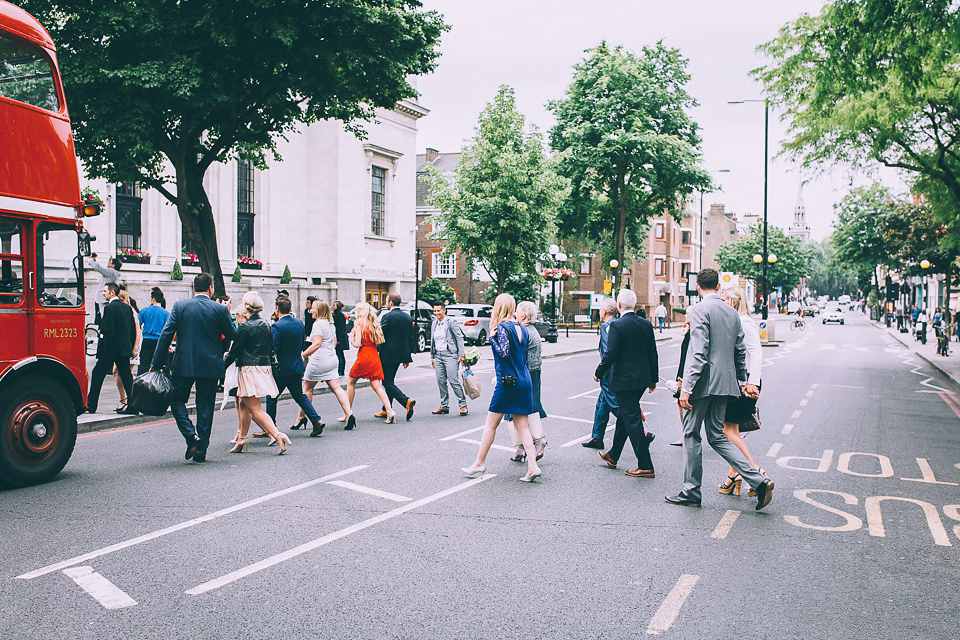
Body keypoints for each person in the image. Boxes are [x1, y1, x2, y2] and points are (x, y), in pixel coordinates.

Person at [668, 268, 774, 510]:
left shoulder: (699, 310)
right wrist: (742, 381)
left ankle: (691, 491)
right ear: (717, 286)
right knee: (717, 436)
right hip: (726, 385)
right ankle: (758, 480)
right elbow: (740, 351)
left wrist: (687, 388)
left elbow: (698, 352)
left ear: (698, 286)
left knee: (691, 433)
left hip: (703, 384)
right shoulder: (731, 312)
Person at [151, 272, 238, 463]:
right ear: (211, 288)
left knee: (175, 400)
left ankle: (191, 435)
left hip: (184, 362)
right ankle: (201, 452)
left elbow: (166, 335)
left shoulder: (180, 306)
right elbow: (232, 334)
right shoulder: (219, 309)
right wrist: (229, 313)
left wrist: (155, 364)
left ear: (194, 288)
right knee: (205, 407)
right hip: (210, 364)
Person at [462, 294, 541, 482]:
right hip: (524, 380)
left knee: (491, 424)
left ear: (498, 308)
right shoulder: (521, 327)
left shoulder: (502, 328)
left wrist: (492, 338)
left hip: (508, 382)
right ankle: (533, 466)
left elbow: (504, 351)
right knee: (522, 425)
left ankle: (479, 463)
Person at [594, 289, 658, 479]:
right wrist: (652, 379)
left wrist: (599, 372)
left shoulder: (618, 326)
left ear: (619, 306)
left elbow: (611, 354)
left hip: (624, 381)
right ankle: (613, 456)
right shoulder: (646, 324)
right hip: (640, 380)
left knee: (632, 421)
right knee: (624, 416)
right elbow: (652, 353)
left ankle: (645, 465)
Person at [224, 291, 291, 455]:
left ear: (246, 307)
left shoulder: (245, 326)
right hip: (263, 368)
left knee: (254, 408)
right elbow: (271, 349)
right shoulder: (267, 324)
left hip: (248, 369)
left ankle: (277, 435)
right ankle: (242, 439)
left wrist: (221, 367)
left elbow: (234, 352)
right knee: (243, 405)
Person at [716, 287, 765, 497]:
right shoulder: (735, 321)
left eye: (724, 299)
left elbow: (756, 352)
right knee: (732, 431)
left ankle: (756, 472)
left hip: (744, 385)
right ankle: (733, 476)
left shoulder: (744, 322)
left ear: (734, 302)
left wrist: (752, 383)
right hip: (738, 382)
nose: (721, 302)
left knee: (728, 431)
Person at [266, 295, 325, 437]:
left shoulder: (276, 326)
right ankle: (316, 420)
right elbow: (302, 341)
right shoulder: (299, 323)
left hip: (282, 369)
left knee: (271, 397)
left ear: (277, 309)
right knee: (299, 395)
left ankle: (270, 428)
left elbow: (275, 348)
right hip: (297, 366)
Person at [301, 300, 355, 430]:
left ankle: (302, 418)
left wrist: (303, 355)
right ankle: (349, 413)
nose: (310, 311)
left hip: (319, 360)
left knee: (307, 389)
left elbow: (317, 344)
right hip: (332, 359)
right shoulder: (331, 324)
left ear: (318, 310)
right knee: (337, 388)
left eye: (313, 309)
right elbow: (334, 342)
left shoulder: (318, 324)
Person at [506, 301, 547, 462]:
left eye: (517, 312)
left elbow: (515, 355)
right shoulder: (533, 330)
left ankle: (537, 441)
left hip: (524, 374)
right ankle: (522, 447)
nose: (515, 314)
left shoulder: (523, 331)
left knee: (519, 410)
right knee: (527, 409)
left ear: (523, 315)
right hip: (533, 373)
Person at [86, 283, 136, 414]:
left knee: (97, 373)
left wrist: (103, 349)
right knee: (126, 376)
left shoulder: (109, 308)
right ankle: (133, 405)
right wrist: (130, 347)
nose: (103, 293)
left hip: (111, 349)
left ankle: (91, 405)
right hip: (123, 348)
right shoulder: (127, 308)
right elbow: (132, 330)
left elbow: (108, 331)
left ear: (112, 293)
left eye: (105, 291)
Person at [346, 302, 397, 424]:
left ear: (360, 311)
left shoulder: (359, 325)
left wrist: (352, 342)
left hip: (364, 355)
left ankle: (347, 412)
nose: (355, 312)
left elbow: (358, 344)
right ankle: (390, 411)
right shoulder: (374, 324)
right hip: (374, 355)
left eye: (357, 310)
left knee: (350, 382)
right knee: (377, 385)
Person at [582, 298, 619, 450]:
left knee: (617, 407)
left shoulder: (607, 327)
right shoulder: (619, 323)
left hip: (609, 374)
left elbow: (607, 352)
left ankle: (642, 433)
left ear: (604, 311)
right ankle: (597, 438)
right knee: (602, 405)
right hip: (616, 372)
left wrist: (601, 372)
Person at [377, 293, 417, 421]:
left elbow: (380, 336)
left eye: (387, 301)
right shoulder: (407, 317)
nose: (386, 303)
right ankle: (386, 408)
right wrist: (407, 357)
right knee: (390, 381)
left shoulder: (387, 316)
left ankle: (406, 401)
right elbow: (410, 338)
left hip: (387, 354)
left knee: (387, 382)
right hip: (401, 354)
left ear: (391, 303)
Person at [430, 301, 468, 416]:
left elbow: (459, 338)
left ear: (444, 310)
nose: (436, 313)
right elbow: (432, 341)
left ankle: (463, 405)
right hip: (438, 355)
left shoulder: (451, 322)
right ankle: (444, 406)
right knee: (440, 381)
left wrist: (461, 354)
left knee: (453, 380)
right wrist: (432, 356)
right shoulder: (434, 323)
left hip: (450, 355)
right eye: (435, 311)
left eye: (438, 311)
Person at [112, 289, 142, 411]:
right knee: (118, 372)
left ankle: (127, 398)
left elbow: (138, 331)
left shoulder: (130, 311)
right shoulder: (124, 310)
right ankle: (124, 398)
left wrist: (134, 348)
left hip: (131, 347)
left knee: (122, 372)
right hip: (128, 346)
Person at [138, 288, 169, 376]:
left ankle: (142, 383)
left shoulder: (144, 311)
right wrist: (169, 344)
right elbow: (168, 330)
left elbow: (137, 325)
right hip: (160, 341)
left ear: (153, 299)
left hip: (147, 339)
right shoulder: (166, 313)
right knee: (161, 364)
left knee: (144, 364)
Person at [86, 254, 122, 324]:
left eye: (110, 262)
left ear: (113, 265)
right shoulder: (113, 273)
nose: (108, 263)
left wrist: (91, 260)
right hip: (106, 297)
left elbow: (99, 268)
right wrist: (93, 260)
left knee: (104, 316)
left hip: (103, 298)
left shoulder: (111, 272)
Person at [332, 300, 349, 377]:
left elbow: (341, 328)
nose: (332, 306)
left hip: (340, 338)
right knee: (339, 354)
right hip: (338, 337)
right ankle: (340, 370)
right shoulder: (335, 314)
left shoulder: (339, 315)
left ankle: (341, 371)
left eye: (334, 305)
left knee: (339, 354)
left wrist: (339, 339)